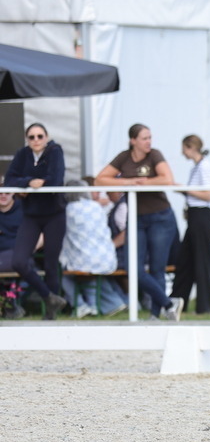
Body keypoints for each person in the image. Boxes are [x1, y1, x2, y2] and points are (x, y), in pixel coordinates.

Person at [94, 123, 183, 321]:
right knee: (133, 268)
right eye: (144, 138)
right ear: (133, 141)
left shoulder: (155, 155)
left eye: (150, 137)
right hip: (137, 218)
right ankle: (169, 304)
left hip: (161, 217)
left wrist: (144, 183)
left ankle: (155, 314)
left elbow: (167, 179)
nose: (148, 142)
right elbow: (100, 180)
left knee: (157, 268)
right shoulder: (124, 157)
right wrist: (127, 182)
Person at [3, 123, 68, 319]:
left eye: (40, 136)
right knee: (19, 261)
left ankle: (50, 315)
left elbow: (55, 179)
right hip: (31, 214)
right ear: (27, 139)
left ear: (46, 137)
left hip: (54, 214)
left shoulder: (55, 152)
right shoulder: (23, 154)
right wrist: (29, 182)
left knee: (50, 263)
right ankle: (49, 297)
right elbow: (9, 180)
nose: (36, 140)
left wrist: (34, 182)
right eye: (31, 137)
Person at [59, 179, 127, 317]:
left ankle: (81, 305)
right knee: (91, 272)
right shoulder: (96, 207)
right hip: (108, 258)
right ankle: (105, 304)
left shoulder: (67, 210)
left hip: (86, 261)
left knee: (63, 273)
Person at [171, 134, 210, 314]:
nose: (182, 152)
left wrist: (184, 189)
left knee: (201, 261)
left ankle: (204, 306)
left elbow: (208, 195)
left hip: (202, 216)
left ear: (190, 147)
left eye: (184, 148)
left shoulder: (204, 167)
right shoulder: (197, 168)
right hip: (195, 216)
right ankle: (177, 302)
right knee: (186, 261)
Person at [0, 183, 29, 319]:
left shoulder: (23, 210)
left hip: (20, 254)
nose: (3, 195)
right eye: (0, 193)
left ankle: (9, 302)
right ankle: (9, 304)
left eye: (7, 192)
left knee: (25, 273)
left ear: (13, 194)